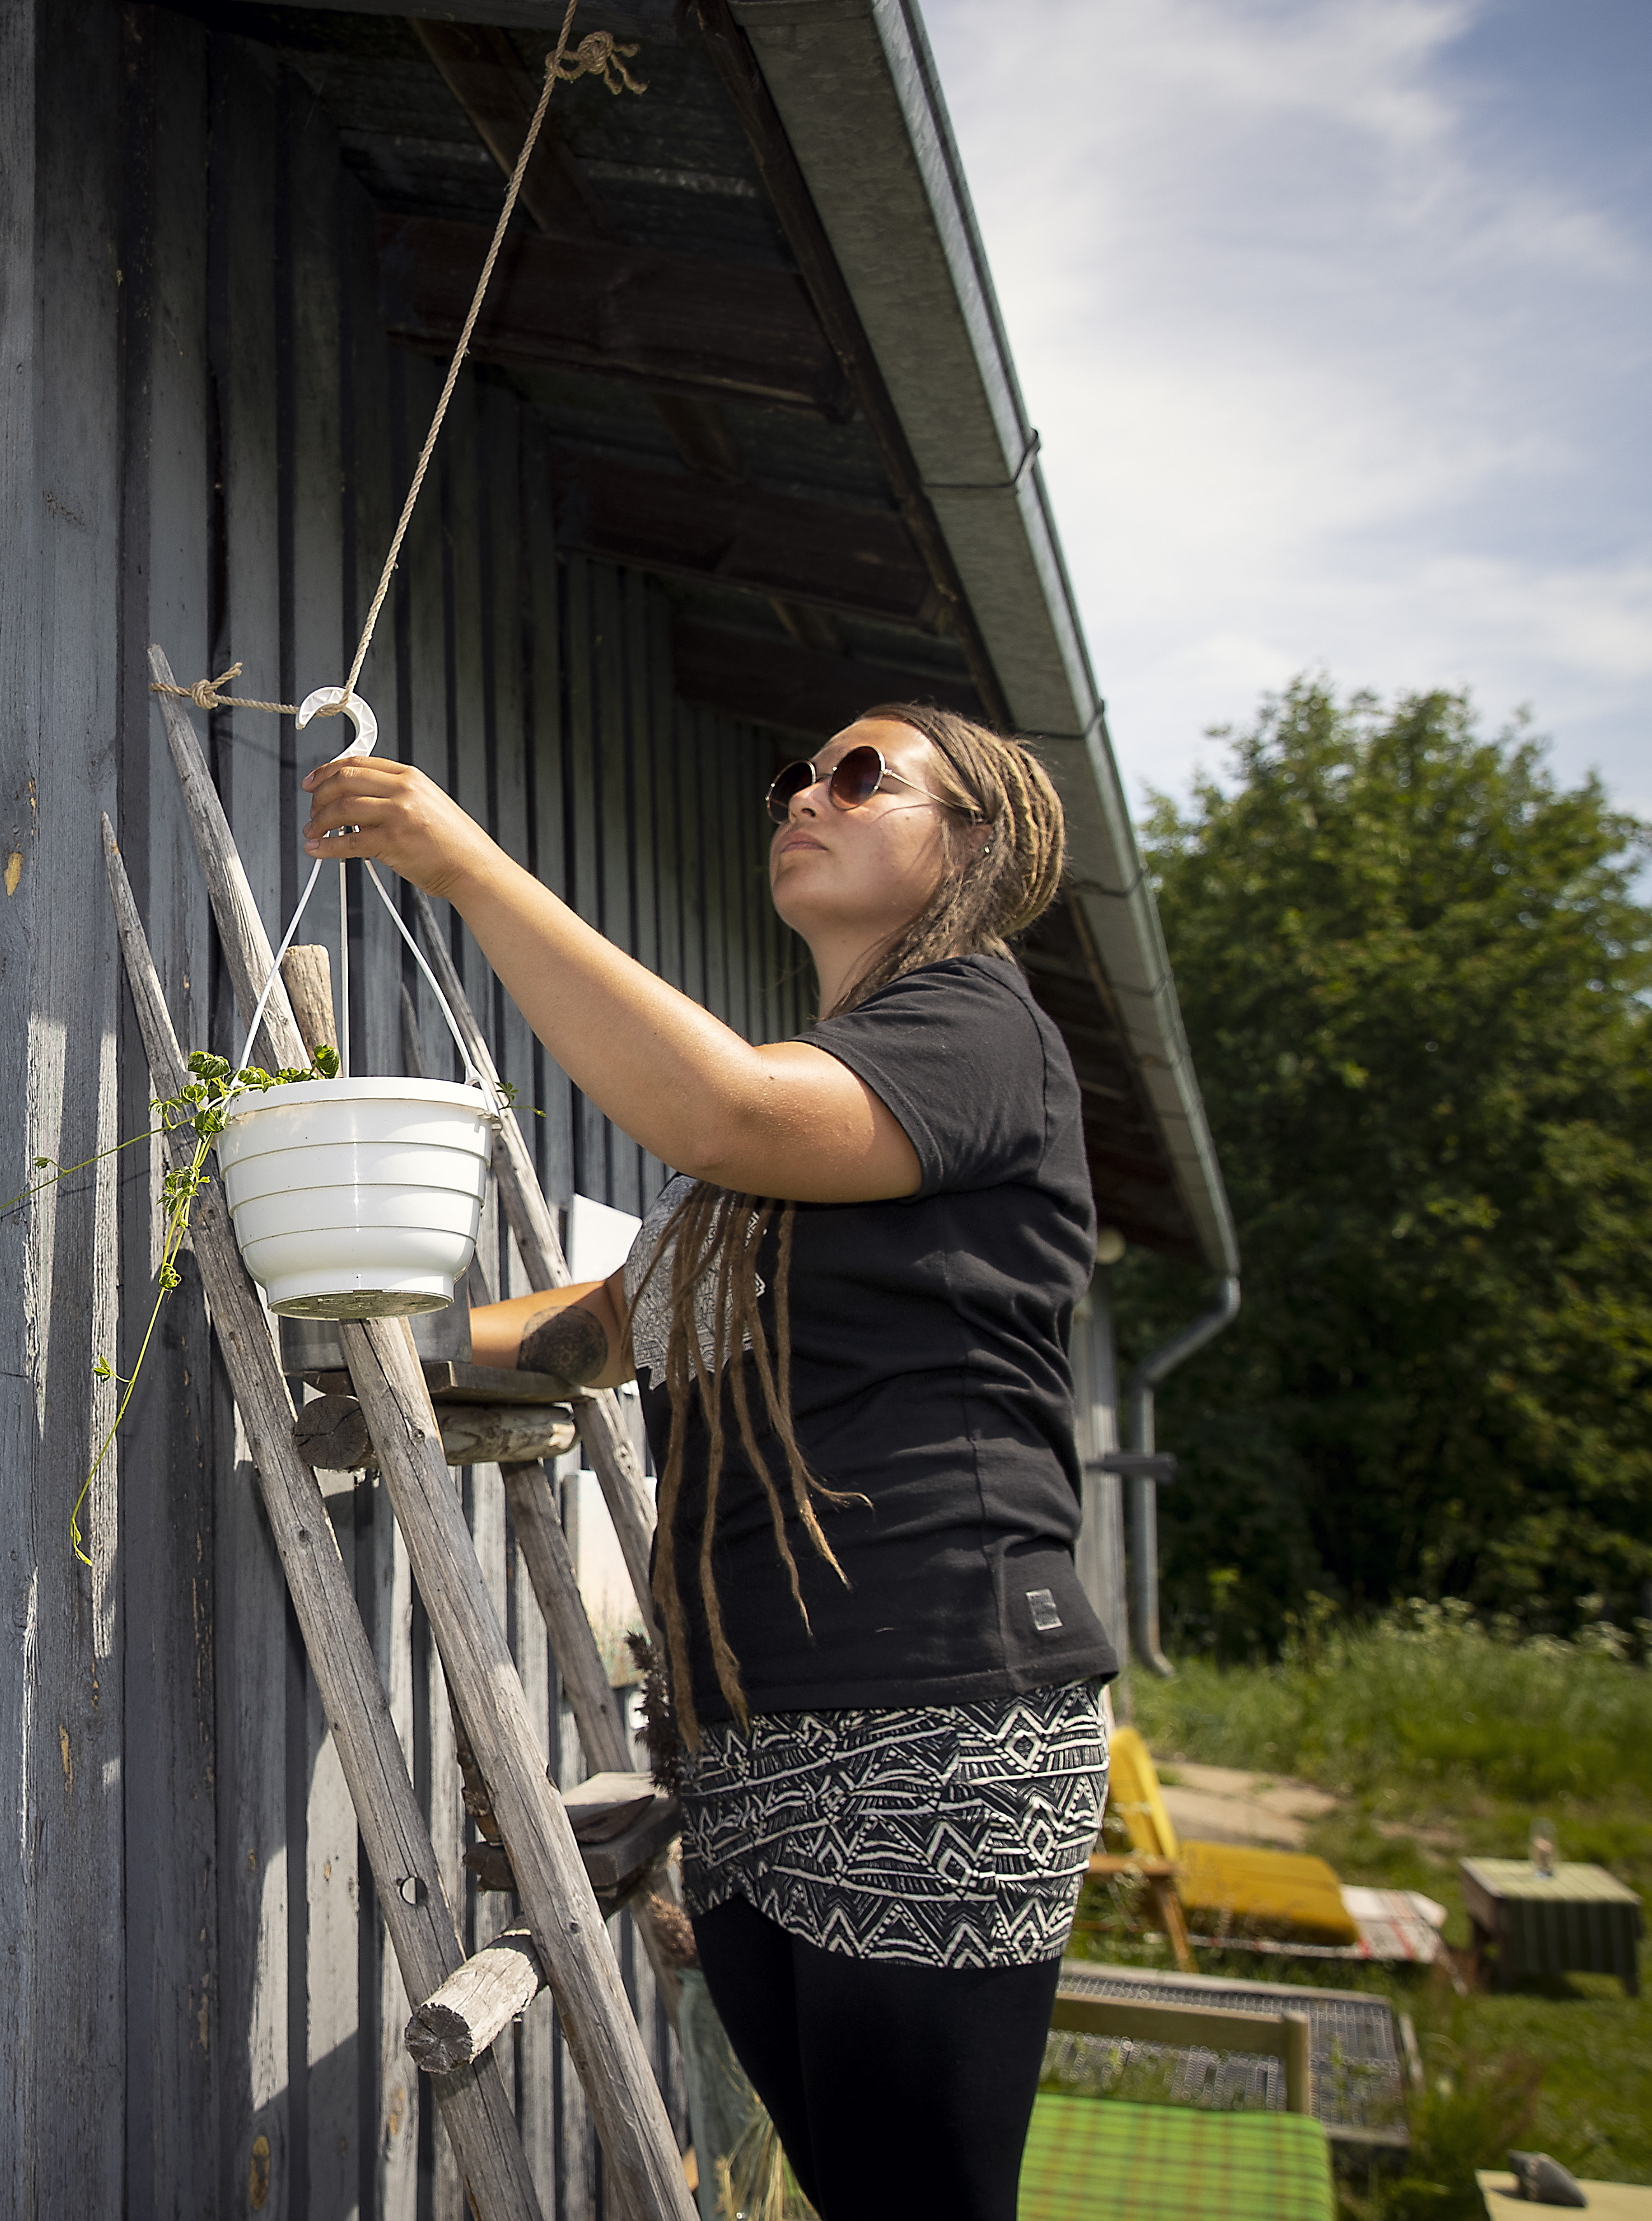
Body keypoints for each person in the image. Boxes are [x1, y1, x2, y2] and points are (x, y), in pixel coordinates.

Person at [302, 703, 1113, 2221]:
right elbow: (630, 1314)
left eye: (863, 775)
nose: (808, 790)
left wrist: (462, 863)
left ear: (977, 842)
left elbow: (723, 1110)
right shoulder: (845, 1077)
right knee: (843, 2181)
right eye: (797, 774)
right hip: (755, 1726)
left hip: (930, 1707)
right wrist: (407, 1345)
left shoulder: (978, 1024)